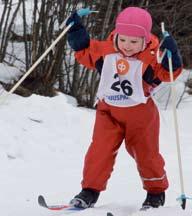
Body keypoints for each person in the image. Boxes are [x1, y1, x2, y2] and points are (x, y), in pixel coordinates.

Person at [66, 7, 182, 209]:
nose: (127, 46)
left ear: (145, 40)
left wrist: (173, 55)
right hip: (108, 111)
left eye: (134, 41)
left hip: (140, 114)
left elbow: (168, 74)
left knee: (146, 154)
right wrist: (76, 31)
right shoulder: (106, 49)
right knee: (99, 151)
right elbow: (84, 51)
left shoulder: (152, 56)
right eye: (123, 39)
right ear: (116, 35)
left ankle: (156, 193)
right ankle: (89, 191)